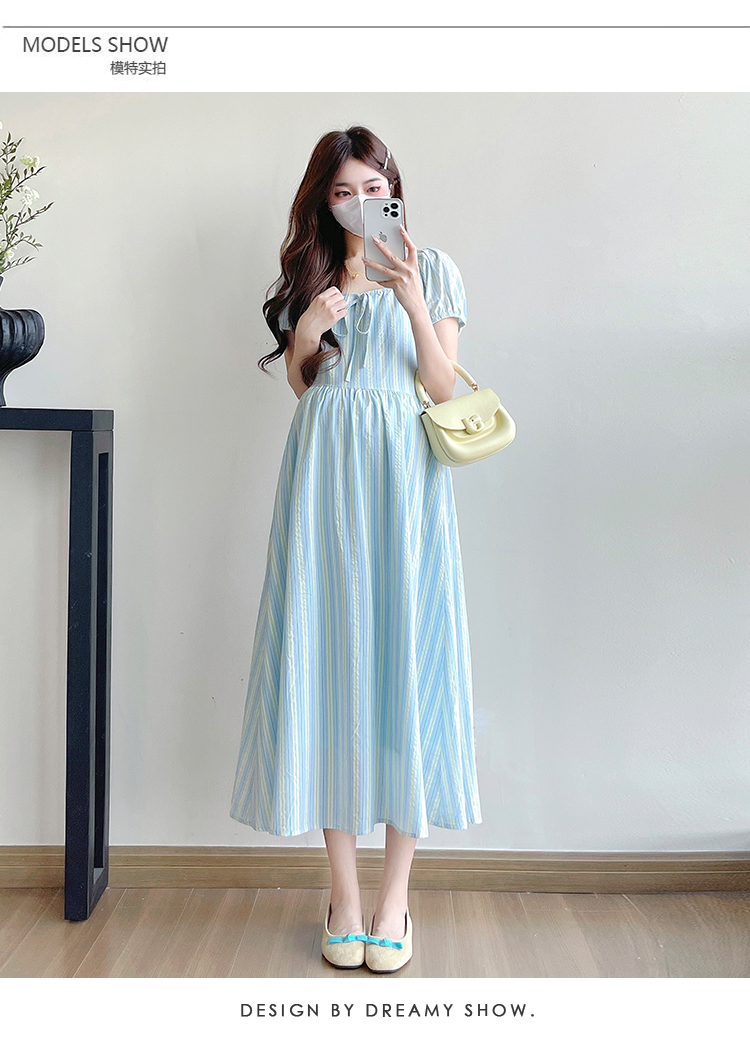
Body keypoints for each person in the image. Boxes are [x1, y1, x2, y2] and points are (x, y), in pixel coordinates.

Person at [230, 125, 482, 972]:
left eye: (375, 187)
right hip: (324, 478)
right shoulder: (312, 278)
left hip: (404, 480)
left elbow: (440, 387)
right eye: (343, 192)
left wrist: (409, 297)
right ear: (324, 202)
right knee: (330, 667)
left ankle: (394, 899)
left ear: (394, 189)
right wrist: (306, 331)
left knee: (407, 666)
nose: (362, 203)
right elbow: (304, 385)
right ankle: (342, 893)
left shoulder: (433, 268)